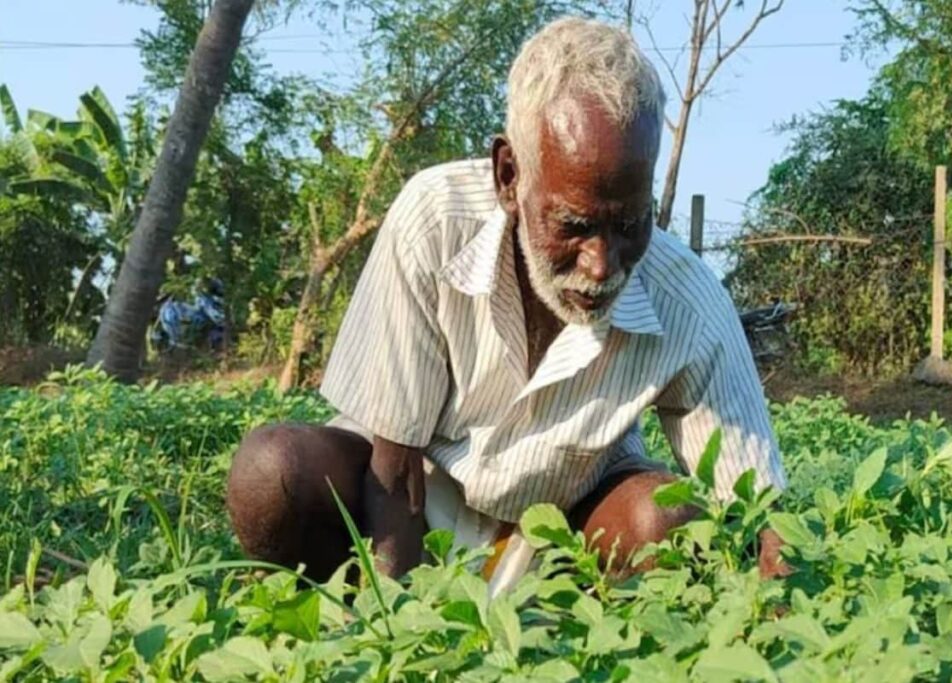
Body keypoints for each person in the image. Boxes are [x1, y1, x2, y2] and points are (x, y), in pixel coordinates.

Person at [226, 16, 789, 586]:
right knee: (272, 473)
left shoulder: (687, 300)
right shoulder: (435, 222)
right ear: (509, 176)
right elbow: (392, 475)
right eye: (574, 224)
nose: (602, 262)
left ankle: (568, 625)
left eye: (631, 222)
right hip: (413, 502)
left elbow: (761, 512)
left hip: (568, 523)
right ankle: (349, 605)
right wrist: (401, 634)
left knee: (669, 520)